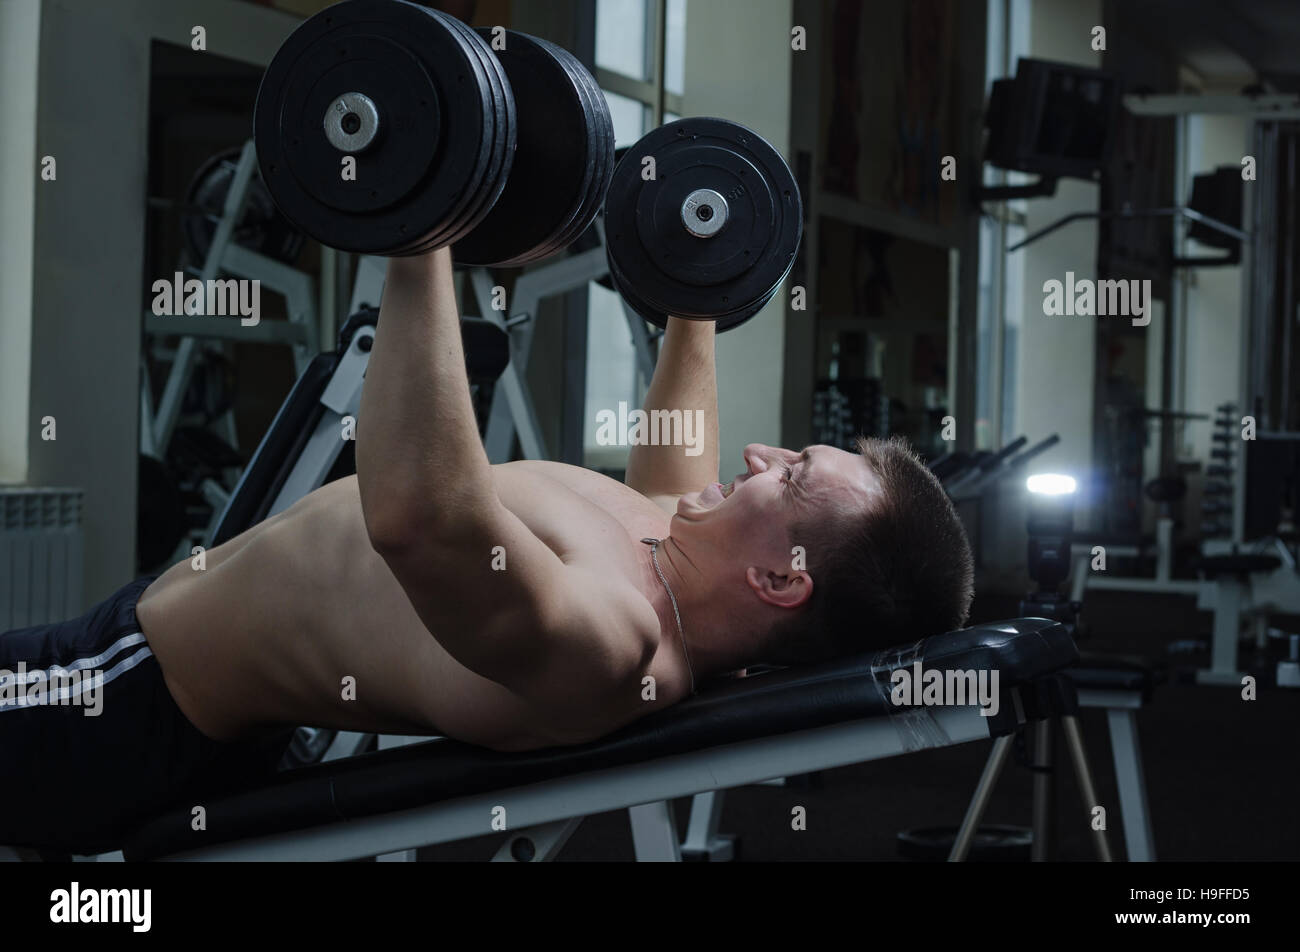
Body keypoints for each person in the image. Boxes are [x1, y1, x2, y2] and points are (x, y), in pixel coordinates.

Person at [0, 248, 972, 854]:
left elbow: (421, 518)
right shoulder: (669, 553)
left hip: (120, 698)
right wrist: (696, 282)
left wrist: (418, 229)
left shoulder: (613, 638)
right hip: (190, 707)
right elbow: (682, 453)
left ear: (778, 579)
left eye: (791, 472)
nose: (758, 453)